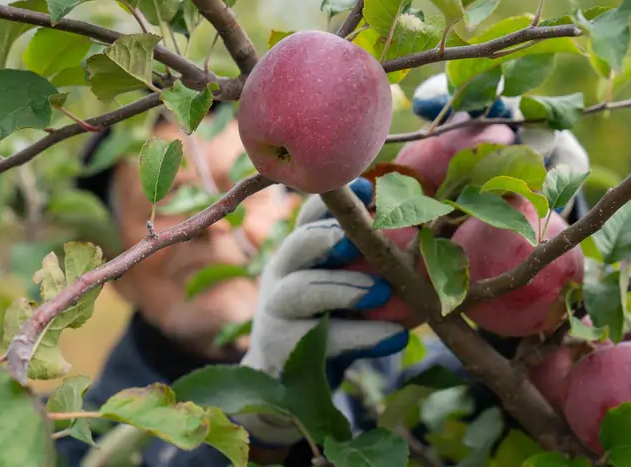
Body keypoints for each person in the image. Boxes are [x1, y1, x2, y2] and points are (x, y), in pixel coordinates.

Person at [54, 74, 591, 467]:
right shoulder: (80, 435)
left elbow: (536, 411)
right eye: (165, 198)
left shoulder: (391, 379)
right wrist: (263, 426)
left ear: (296, 213)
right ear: (112, 269)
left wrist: (538, 243)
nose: (212, 223)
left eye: (242, 187)